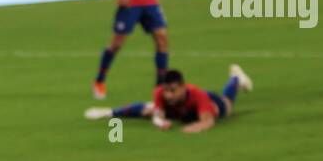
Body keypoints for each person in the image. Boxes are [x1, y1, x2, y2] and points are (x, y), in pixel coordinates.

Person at [85, 66, 253, 134]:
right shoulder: (160, 92)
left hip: (211, 105)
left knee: (227, 105)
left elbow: (207, 122)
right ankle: (110, 112)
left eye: (173, 91)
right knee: (148, 109)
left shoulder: (197, 95)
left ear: (182, 87)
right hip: (180, 112)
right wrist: (160, 123)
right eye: (166, 91)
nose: (168, 95)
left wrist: (195, 128)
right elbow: (157, 115)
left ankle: (236, 79)